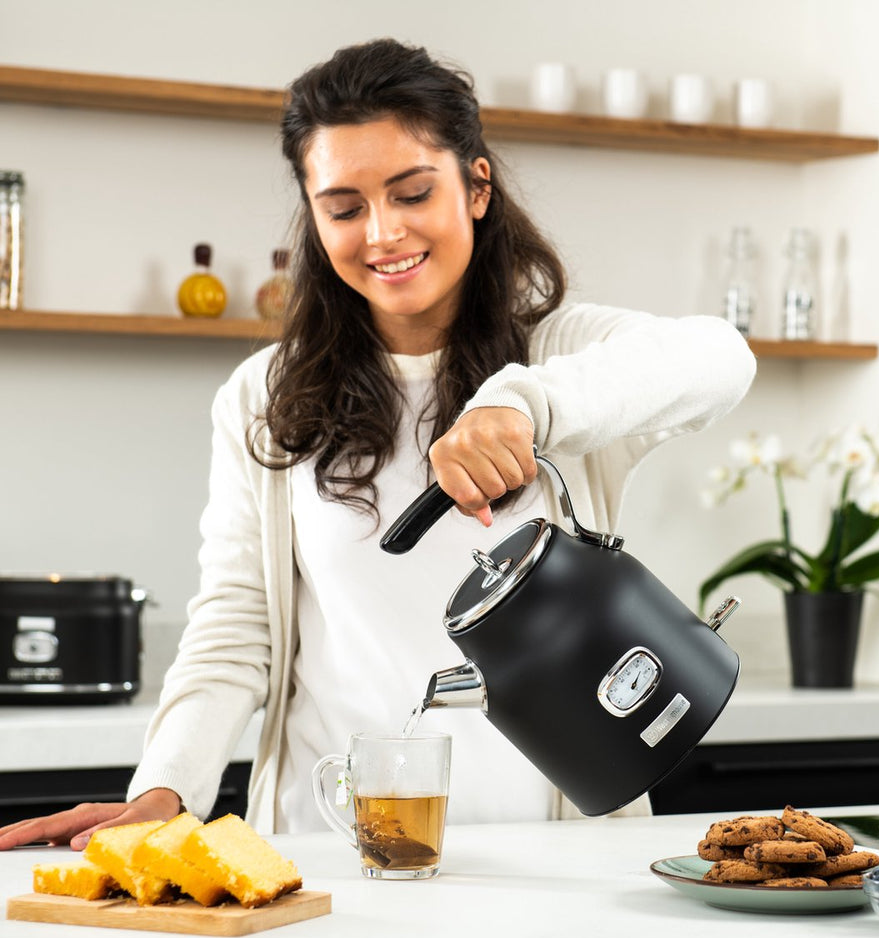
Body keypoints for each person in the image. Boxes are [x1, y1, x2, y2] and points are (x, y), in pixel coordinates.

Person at [0, 38, 755, 850]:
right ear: (315, 217)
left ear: (475, 187)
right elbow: (234, 627)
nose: (383, 233)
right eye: (345, 206)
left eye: (412, 192)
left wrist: (521, 406)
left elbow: (720, 358)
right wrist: (164, 789)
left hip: (547, 854)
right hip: (325, 851)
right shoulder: (264, 395)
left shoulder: (558, 355)